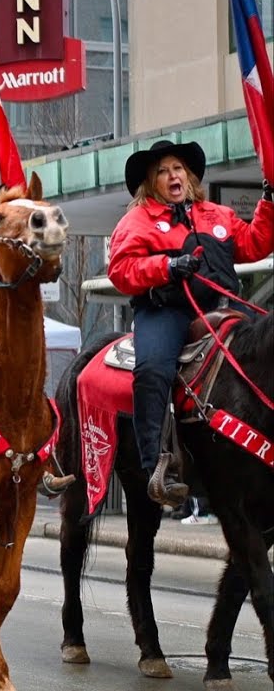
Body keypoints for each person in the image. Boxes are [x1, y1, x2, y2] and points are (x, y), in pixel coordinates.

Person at [106, 140, 272, 507]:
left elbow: (255, 244)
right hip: (166, 312)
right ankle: (156, 467)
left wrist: (268, 203)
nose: (172, 175)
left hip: (222, 311)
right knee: (151, 370)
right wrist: (165, 267)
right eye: (163, 171)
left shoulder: (216, 214)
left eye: (178, 168)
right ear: (152, 182)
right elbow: (120, 271)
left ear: (189, 175)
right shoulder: (137, 220)